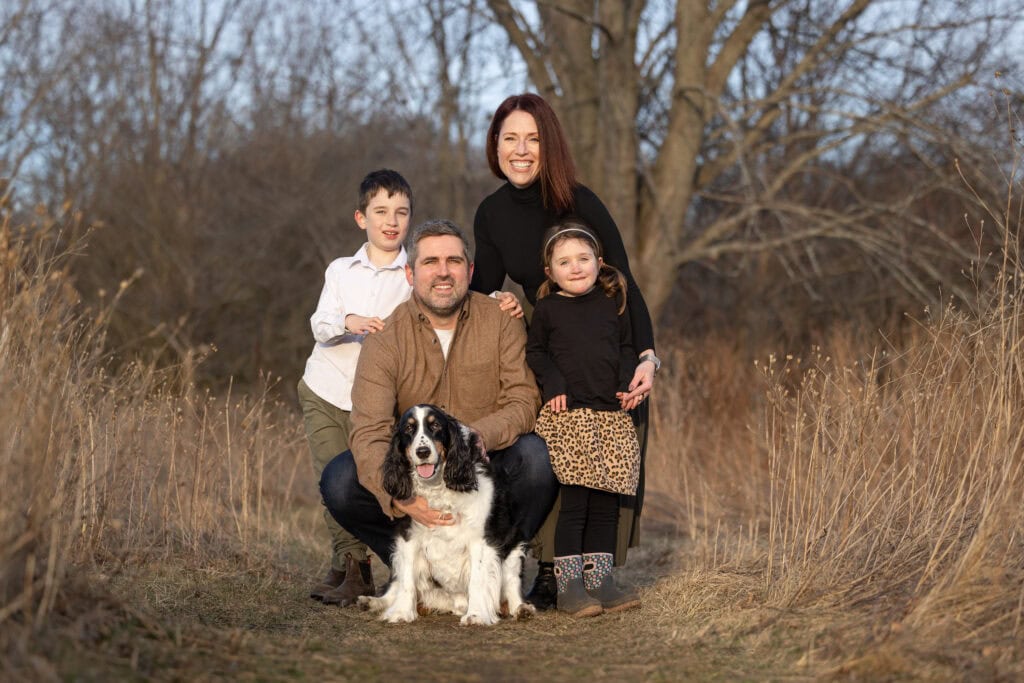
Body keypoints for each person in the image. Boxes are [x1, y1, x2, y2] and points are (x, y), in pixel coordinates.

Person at [471, 92, 661, 609]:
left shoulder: (580, 201)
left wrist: (647, 356)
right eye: (510, 138)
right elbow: (483, 286)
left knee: (607, 473)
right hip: (549, 350)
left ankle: (600, 578)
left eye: (532, 138)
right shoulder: (490, 214)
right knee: (557, 463)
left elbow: (626, 280)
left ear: (548, 144)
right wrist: (500, 300)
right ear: (496, 145)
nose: (521, 149)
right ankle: (553, 573)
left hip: (608, 350)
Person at [318, 219, 558, 578]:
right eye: (430, 262)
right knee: (340, 479)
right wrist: (401, 498)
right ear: (410, 274)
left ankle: (500, 562)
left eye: (454, 261)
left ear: (470, 269)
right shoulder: (386, 339)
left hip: (484, 465)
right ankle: (419, 570)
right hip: (419, 474)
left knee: (537, 458)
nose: (443, 272)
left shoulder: (501, 320)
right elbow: (370, 430)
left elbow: (523, 399)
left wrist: (479, 436)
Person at [298, 169, 413, 605]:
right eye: (381, 211)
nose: (391, 220)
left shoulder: (412, 275)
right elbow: (320, 324)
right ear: (360, 217)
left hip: (378, 402)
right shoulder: (341, 270)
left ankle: (390, 562)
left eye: (401, 212)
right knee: (329, 475)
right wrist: (349, 322)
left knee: (369, 481)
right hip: (325, 387)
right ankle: (353, 568)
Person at [526, 220, 643, 617]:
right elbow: (537, 353)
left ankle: (600, 581)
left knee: (607, 504)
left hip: (610, 417)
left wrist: (627, 379)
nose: (575, 267)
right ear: (549, 271)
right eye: (564, 262)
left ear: (599, 261)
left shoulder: (612, 304)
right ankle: (570, 586)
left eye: (583, 259)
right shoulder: (548, 309)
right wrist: (554, 383)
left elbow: (626, 348)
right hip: (570, 418)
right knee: (575, 505)